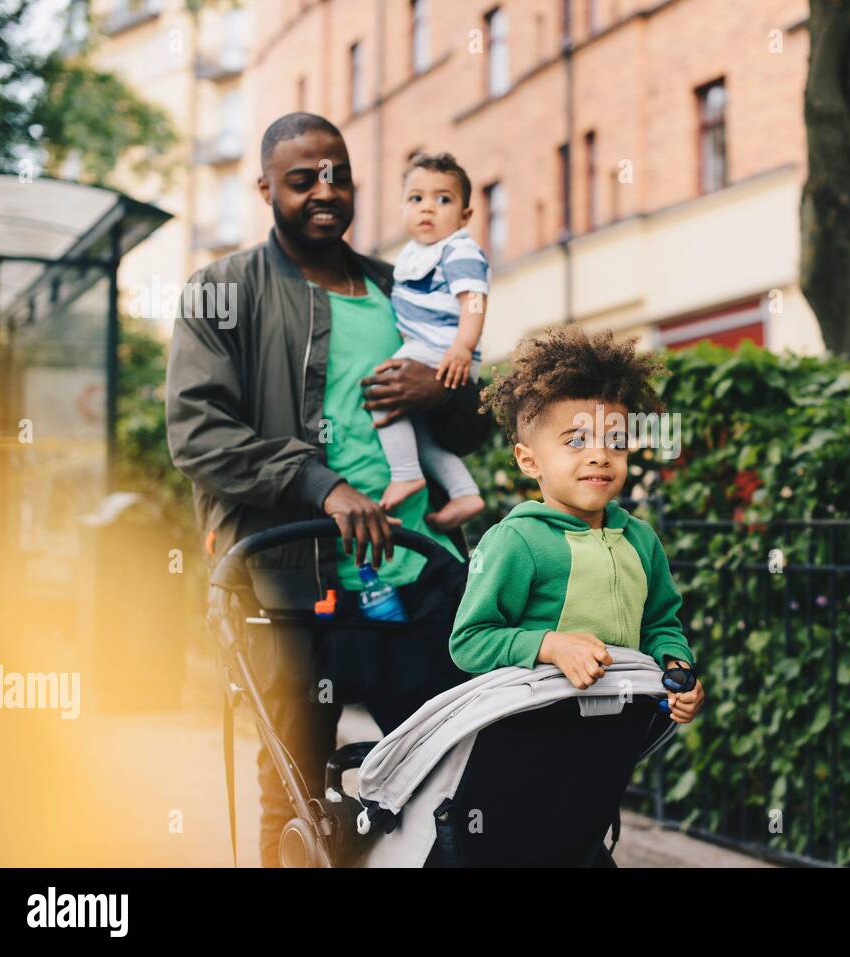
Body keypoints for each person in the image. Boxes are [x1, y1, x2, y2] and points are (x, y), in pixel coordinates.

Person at [165, 112, 489, 866]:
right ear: (265, 188)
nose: (326, 191)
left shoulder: (400, 280)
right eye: (303, 178)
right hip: (290, 590)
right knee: (296, 794)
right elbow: (198, 433)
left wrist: (440, 391)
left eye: (338, 174)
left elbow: (474, 425)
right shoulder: (223, 291)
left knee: (450, 777)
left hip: (413, 578)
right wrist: (321, 486)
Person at [449, 325, 706, 724]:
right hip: (532, 733)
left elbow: (660, 625)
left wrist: (678, 668)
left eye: (616, 442)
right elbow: (470, 641)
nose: (600, 455)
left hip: (618, 733)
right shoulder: (516, 541)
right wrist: (549, 645)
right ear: (528, 460)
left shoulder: (642, 540)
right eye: (576, 441)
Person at [375, 151, 487, 531]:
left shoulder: (458, 249)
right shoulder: (413, 255)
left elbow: (473, 298)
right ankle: (464, 492)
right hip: (433, 347)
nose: (428, 208)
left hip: (441, 348)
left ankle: (405, 474)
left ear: (465, 216)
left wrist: (462, 346)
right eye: (416, 198)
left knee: (383, 390)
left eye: (443, 200)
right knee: (420, 434)